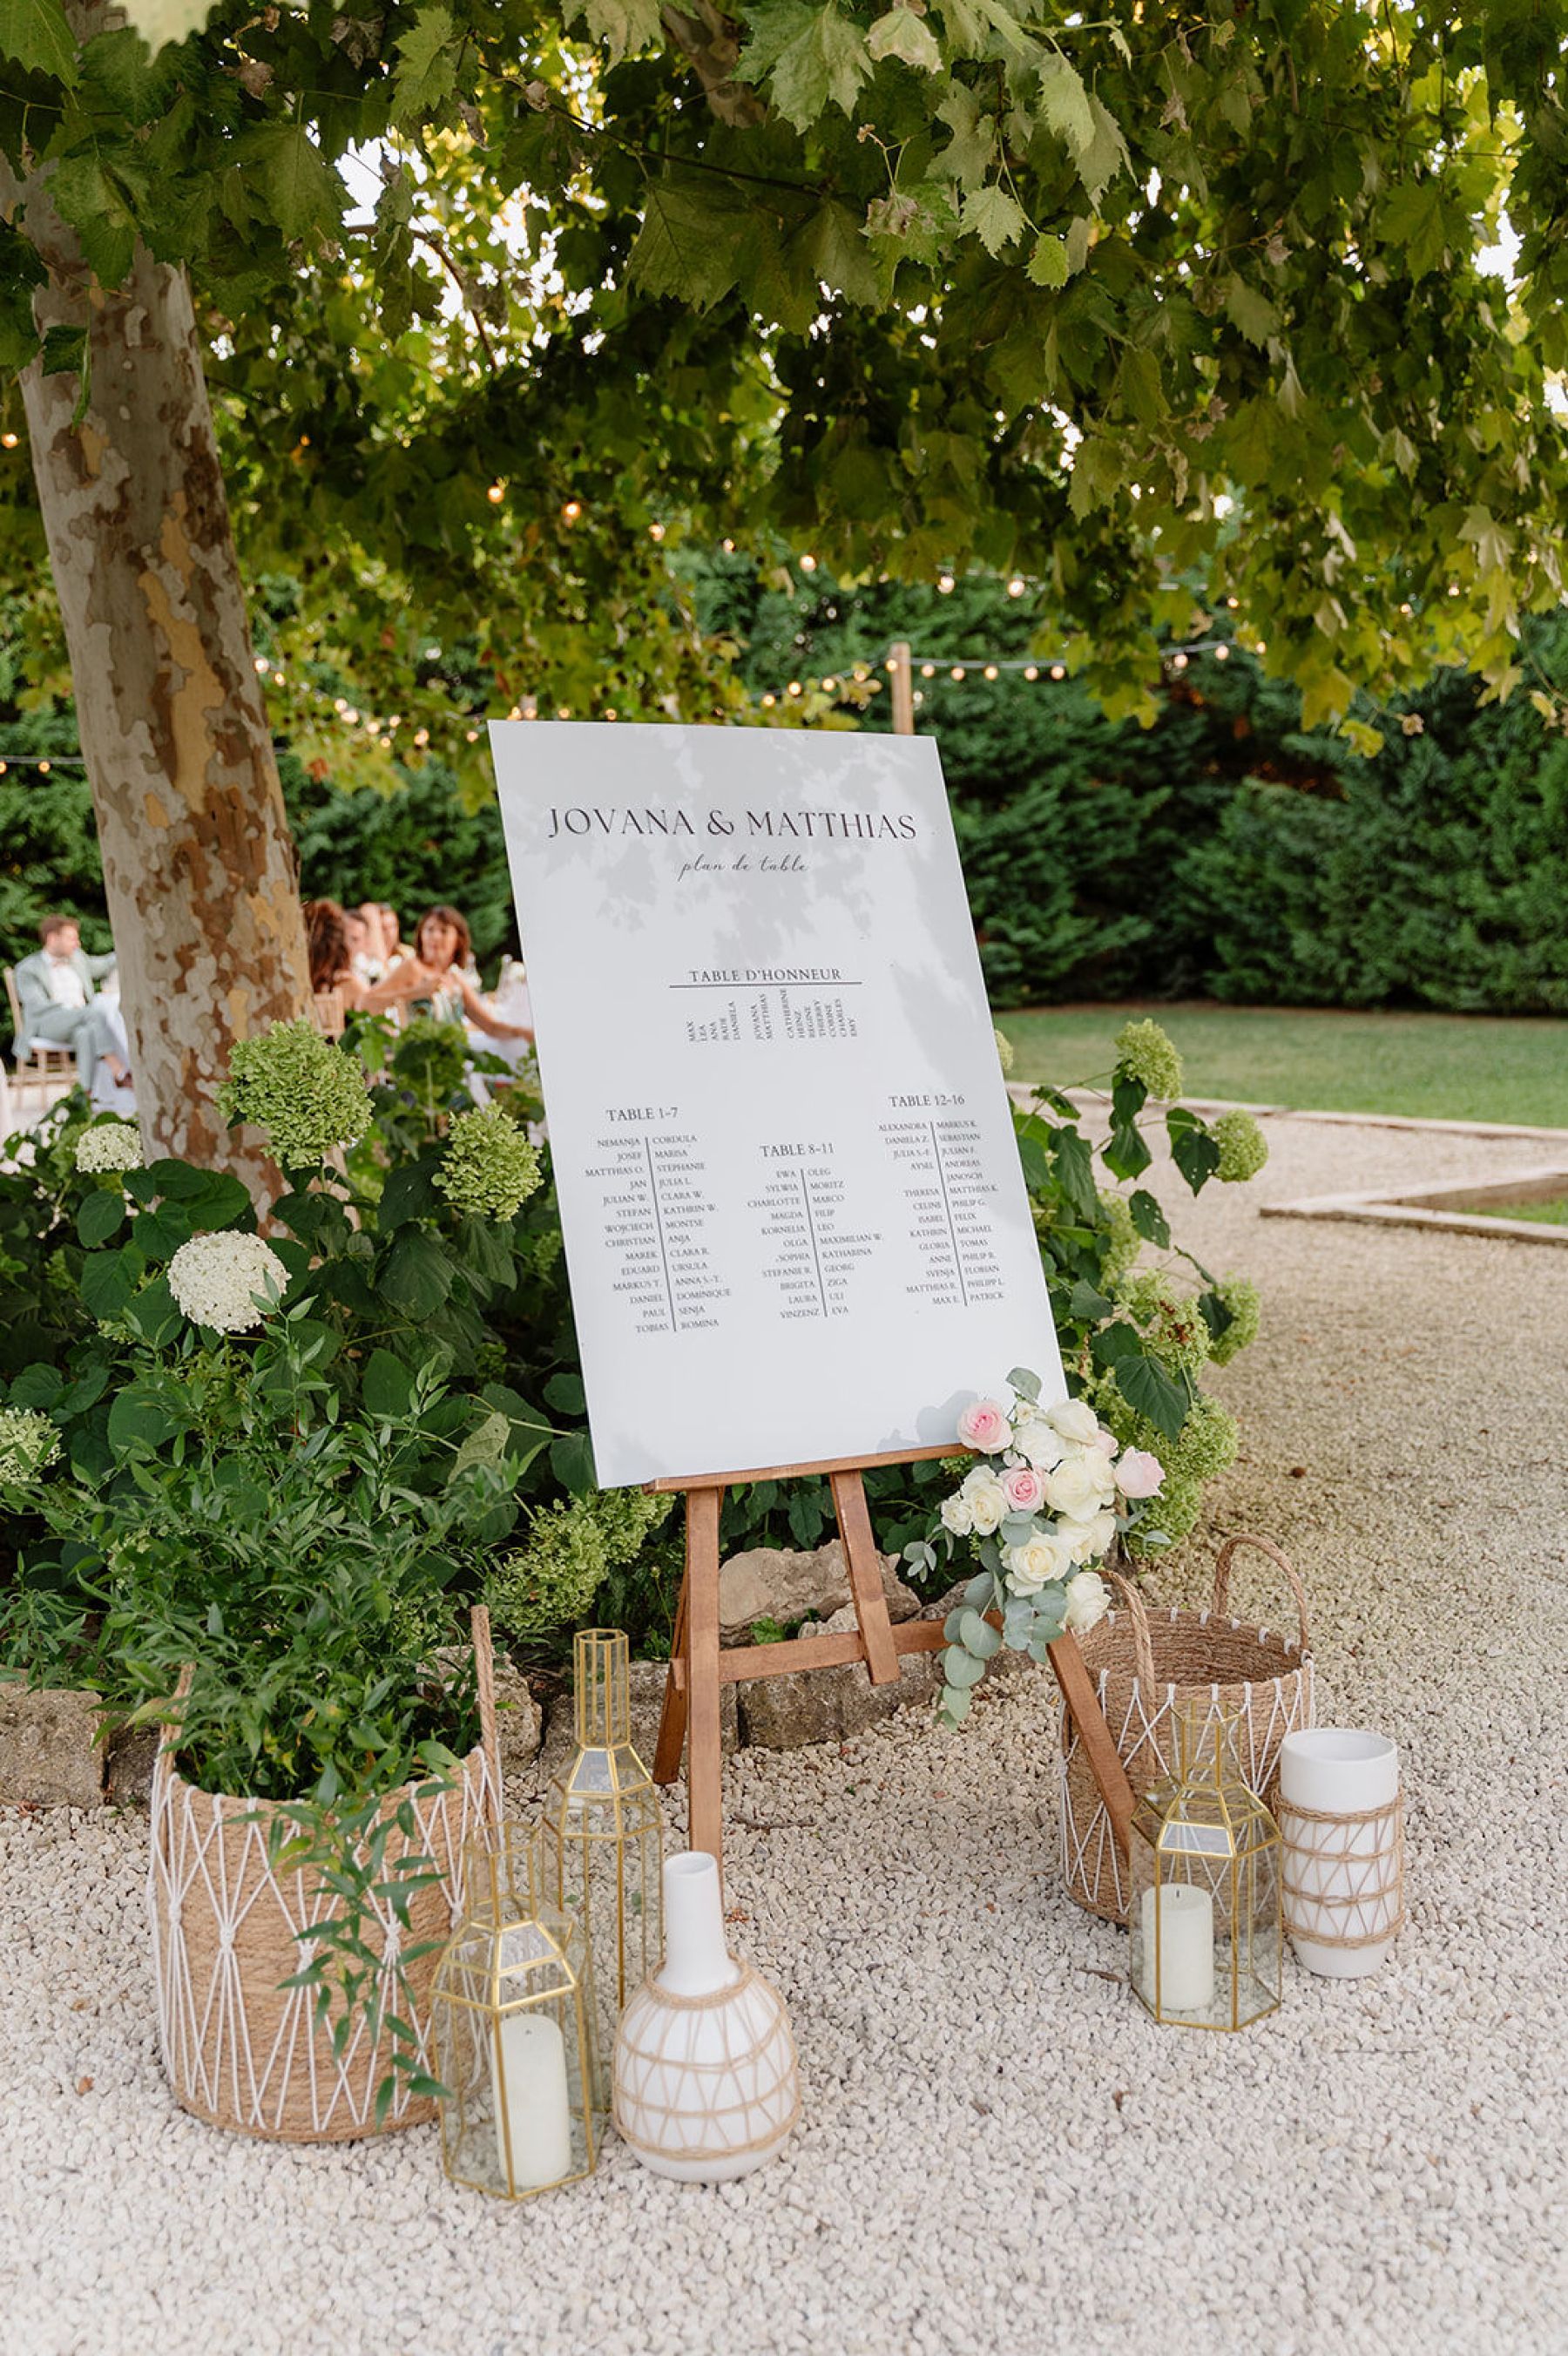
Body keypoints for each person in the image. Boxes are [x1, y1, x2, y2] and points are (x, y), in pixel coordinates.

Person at [12, 916, 132, 1100]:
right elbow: (37, 1006)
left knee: (84, 1033)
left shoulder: (78, 958)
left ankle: (86, 1096)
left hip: (80, 1021)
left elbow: (105, 964)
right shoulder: (27, 969)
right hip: (46, 1022)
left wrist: (128, 948)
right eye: (71, 938)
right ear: (53, 938)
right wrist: (75, 1010)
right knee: (93, 1013)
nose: (77, 943)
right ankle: (118, 1071)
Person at [409, 906, 532, 1051]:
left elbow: (490, 1026)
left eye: (444, 931)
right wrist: (414, 993)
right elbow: (386, 999)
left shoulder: (455, 977)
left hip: (450, 1056)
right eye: (430, 930)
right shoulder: (411, 968)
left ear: (458, 940)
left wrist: (520, 1032)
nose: (435, 937)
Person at [303, 899, 439, 1019]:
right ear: (340, 944)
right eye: (353, 939)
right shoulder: (346, 983)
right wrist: (415, 992)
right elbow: (377, 1017)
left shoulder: (312, 982)